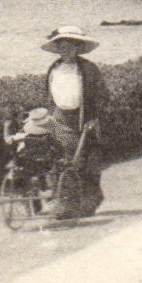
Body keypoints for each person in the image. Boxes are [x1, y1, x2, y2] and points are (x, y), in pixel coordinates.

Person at [41, 26, 108, 219]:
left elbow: (101, 95)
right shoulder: (54, 69)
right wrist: (51, 115)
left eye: (70, 47)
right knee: (64, 158)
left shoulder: (88, 69)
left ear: (78, 48)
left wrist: (94, 117)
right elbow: (49, 95)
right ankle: (64, 202)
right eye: (62, 47)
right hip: (60, 117)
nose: (66, 51)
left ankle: (89, 200)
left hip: (84, 118)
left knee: (87, 161)